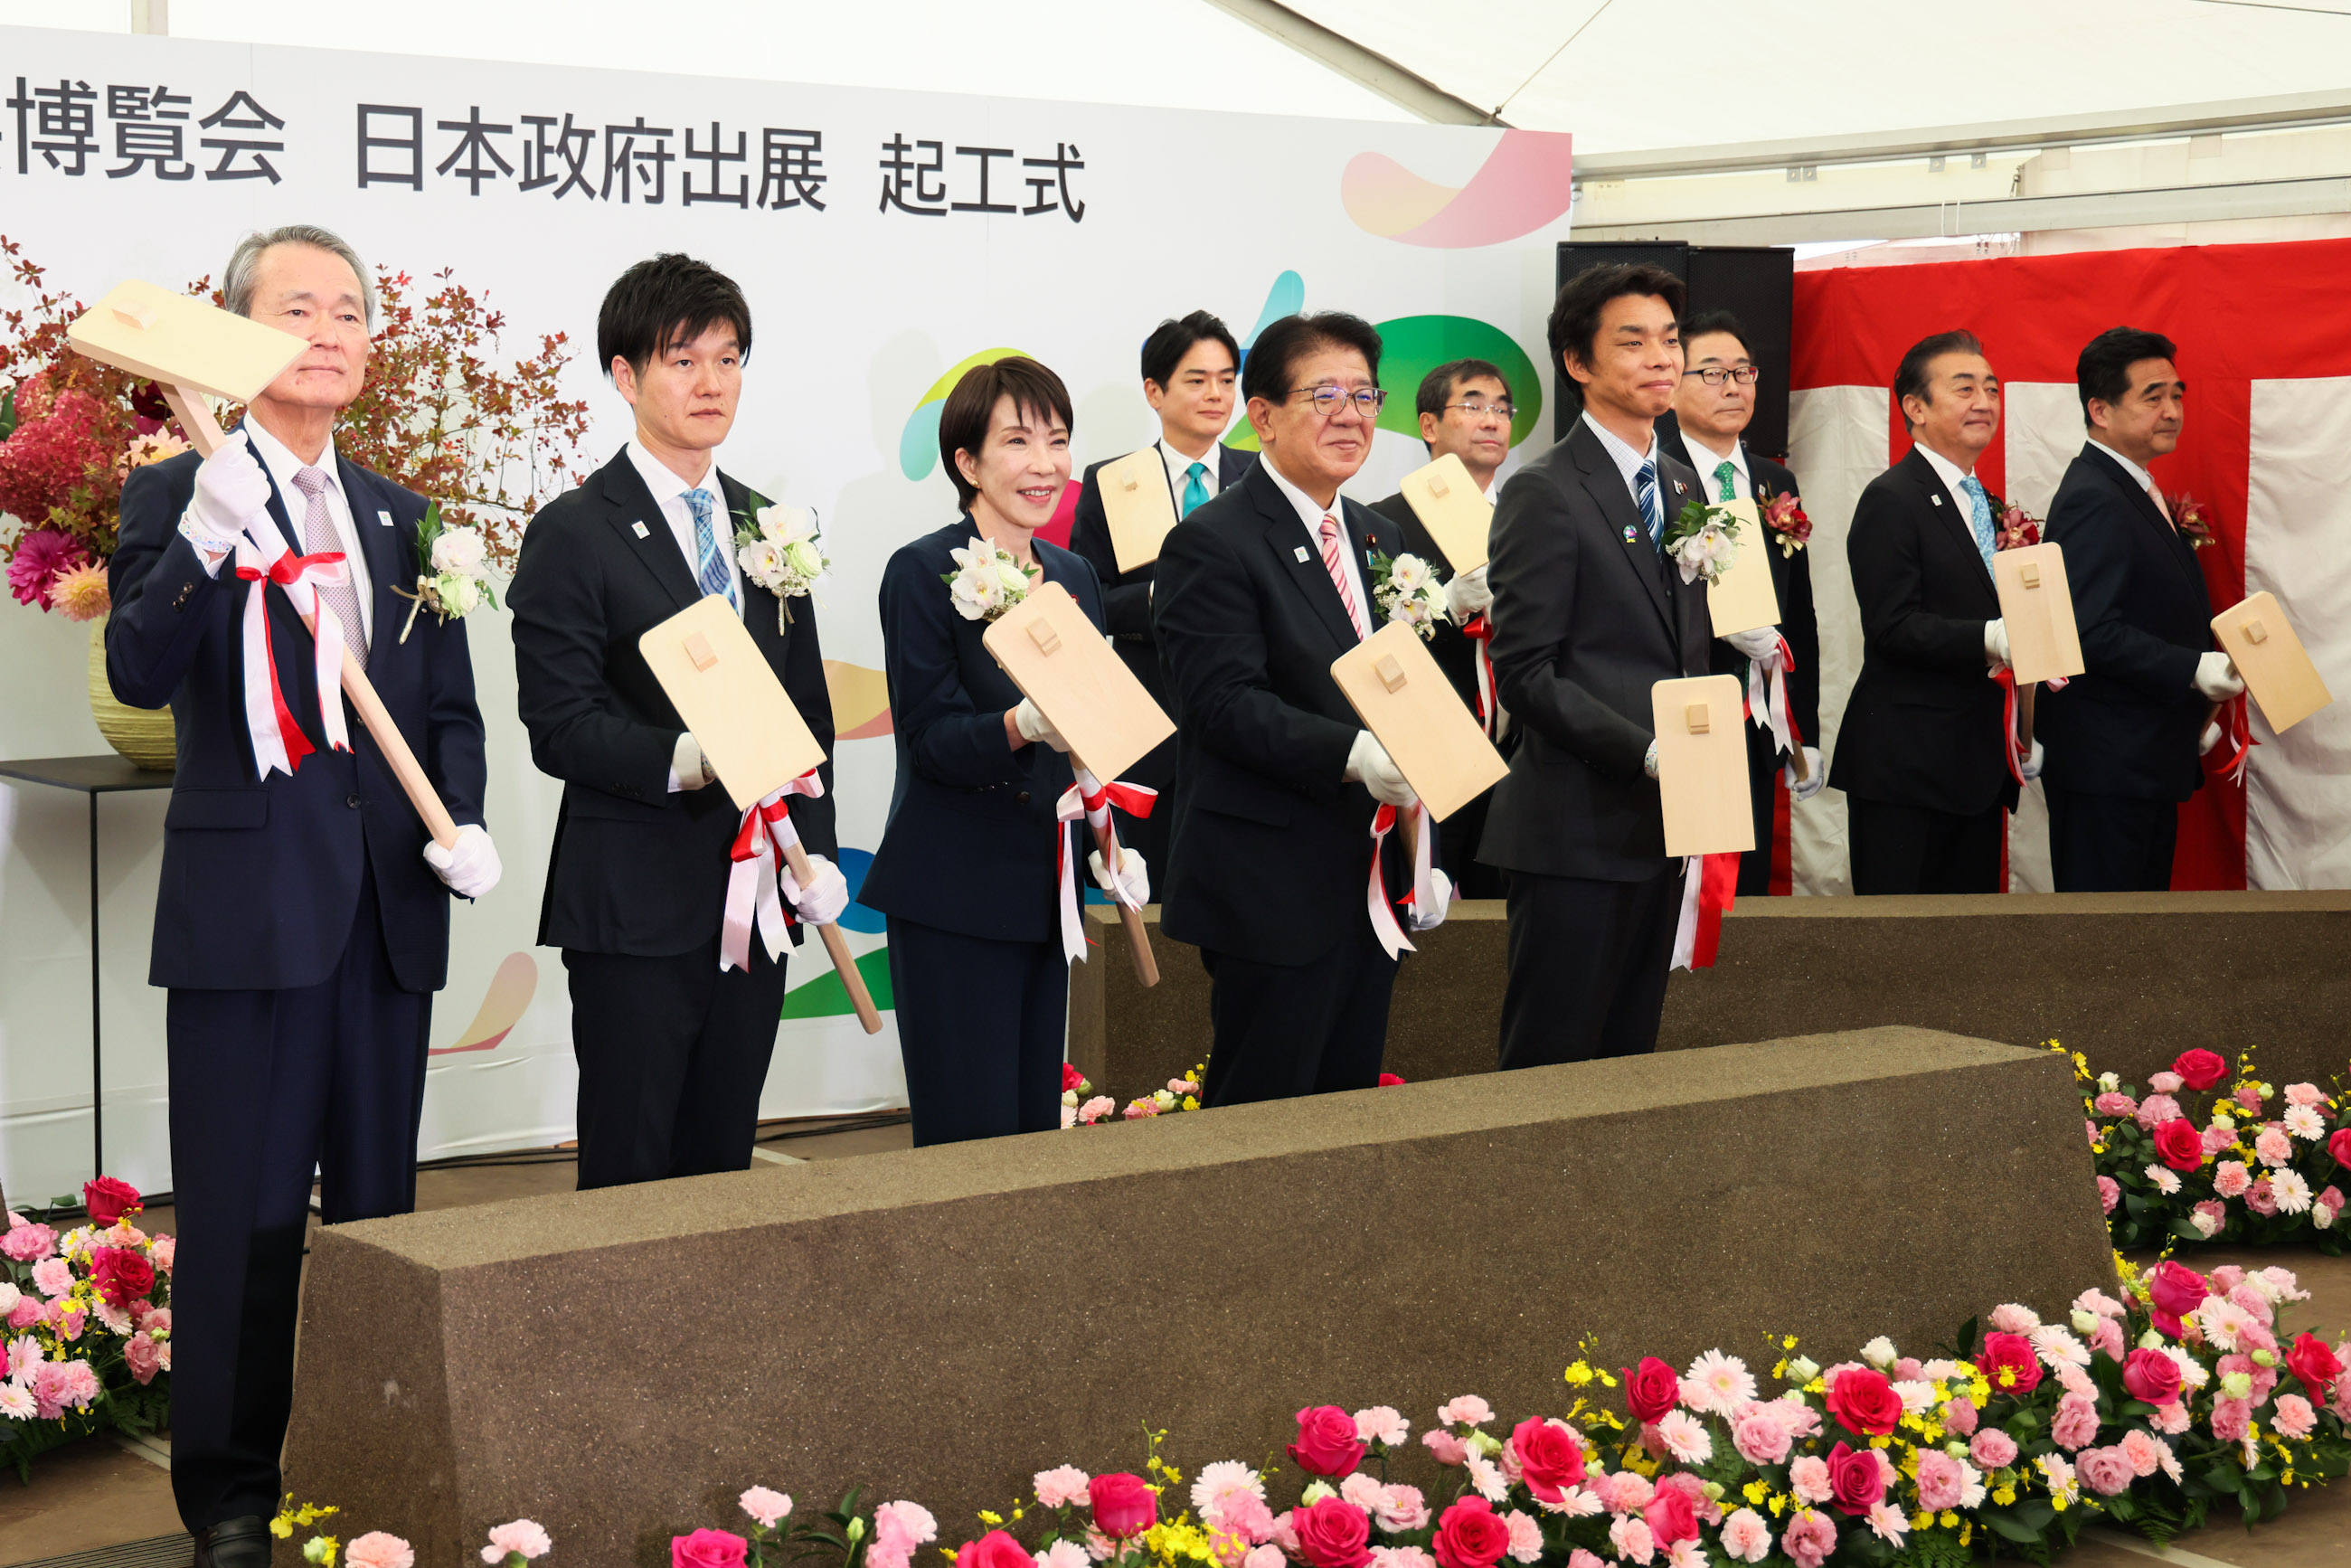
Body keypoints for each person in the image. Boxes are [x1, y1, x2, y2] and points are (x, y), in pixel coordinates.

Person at [106, 224, 496, 1568]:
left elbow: (445, 708)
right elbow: (144, 669)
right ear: (239, 334)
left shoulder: (403, 513)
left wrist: (469, 823)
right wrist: (206, 540)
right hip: (248, 916)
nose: (328, 329)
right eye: (298, 308)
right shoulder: (178, 493)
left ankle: (374, 1462)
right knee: (245, 1216)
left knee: (382, 1216)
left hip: (390, 913)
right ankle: (227, 1497)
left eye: (349, 310)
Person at [508, 253, 847, 1192]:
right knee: (632, 1167)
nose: (711, 383)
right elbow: (559, 725)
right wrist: (693, 758)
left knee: (722, 1161)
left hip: (758, 897)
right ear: (624, 375)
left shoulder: (767, 526)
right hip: (635, 907)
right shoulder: (575, 530)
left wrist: (813, 852)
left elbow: (803, 718)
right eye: (682, 360)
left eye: (728, 359)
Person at [1153, 311, 1450, 1108]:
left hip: (1371, 876)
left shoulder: (1379, 535)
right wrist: (1357, 756)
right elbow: (1221, 705)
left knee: (1345, 1104)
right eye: (1324, 394)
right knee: (1263, 1113)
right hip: (1271, 886)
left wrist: (1426, 841)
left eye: (1364, 395)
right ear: (1264, 415)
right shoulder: (1213, 540)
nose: (1351, 415)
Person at [860, 356, 1139, 1145]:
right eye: (1017, 441)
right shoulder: (921, 570)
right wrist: (1022, 725)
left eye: (1057, 440)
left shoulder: (1076, 574)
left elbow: (1093, 734)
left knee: (1029, 1131)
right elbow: (930, 740)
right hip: (953, 891)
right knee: (967, 1137)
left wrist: (1110, 838)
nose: (1044, 464)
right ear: (967, 462)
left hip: (1044, 896)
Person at [1481, 262, 1710, 1070]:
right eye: (1634, 341)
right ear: (1578, 364)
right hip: (1574, 828)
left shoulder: (1681, 481)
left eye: (1671, 340)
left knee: (1629, 1057)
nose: (1663, 358)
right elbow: (1526, 673)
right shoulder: (1544, 490)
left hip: (1666, 825)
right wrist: (1645, 751)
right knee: (1554, 1059)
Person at [2039, 327, 2240, 891]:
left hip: (2142, 758)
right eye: (2153, 398)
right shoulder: (2092, 496)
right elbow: (2088, 632)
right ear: (2099, 410)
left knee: (2139, 938)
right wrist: (2193, 668)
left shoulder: (2132, 487)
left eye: (2177, 395)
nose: (2172, 411)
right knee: (2107, 944)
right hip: (2107, 765)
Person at [1830, 329, 2030, 895]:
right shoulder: (1892, 498)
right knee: (1898, 952)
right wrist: (1993, 637)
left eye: (1991, 388)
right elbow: (1893, 627)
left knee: (1966, 953)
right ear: (1915, 408)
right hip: (1907, 767)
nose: (1984, 402)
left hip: (1976, 765)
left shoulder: (1985, 504)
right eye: (1964, 388)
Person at [1065, 310, 1254, 872]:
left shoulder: (1263, 479)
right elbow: (1086, 597)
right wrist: (1157, 600)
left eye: (1226, 380)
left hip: (1247, 725)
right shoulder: (1114, 479)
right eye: (1197, 381)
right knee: (1154, 897)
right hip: (1147, 727)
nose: (1216, 394)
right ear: (1155, 391)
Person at [1657, 310, 1824, 895]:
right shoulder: (1655, 479)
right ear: (1671, 383)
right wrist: (1717, 623)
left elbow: (1798, 613)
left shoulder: (1773, 481)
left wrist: (1806, 731)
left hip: (1761, 718)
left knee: (1746, 896)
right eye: (1711, 373)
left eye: (1743, 371)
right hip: (1683, 713)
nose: (1732, 386)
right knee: (1684, 890)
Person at [1369, 358, 1516, 899]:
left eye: (1502, 409)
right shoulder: (1382, 523)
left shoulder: (1531, 516)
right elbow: (1370, 644)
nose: (1492, 420)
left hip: (1518, 748)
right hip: (1428, 749)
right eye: (1473, 405)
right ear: (1429, 426)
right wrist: (1447, 605)